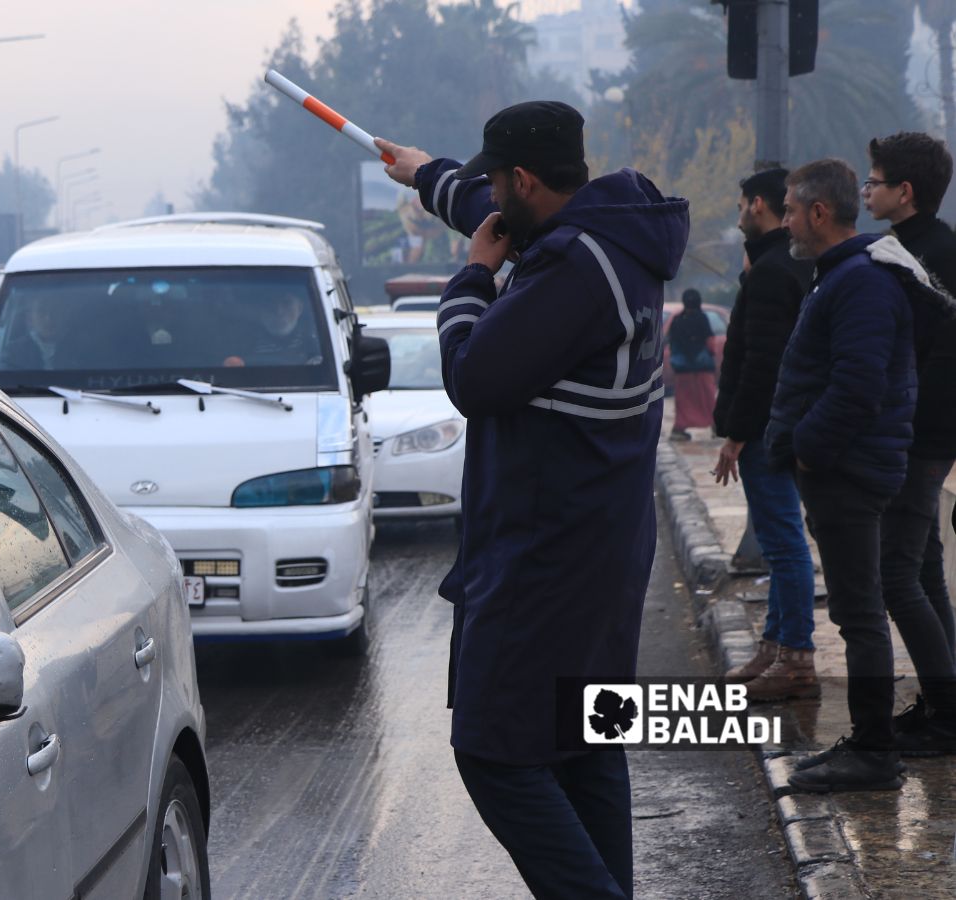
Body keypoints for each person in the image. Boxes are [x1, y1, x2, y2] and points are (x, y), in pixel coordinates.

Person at [377, 99, 688, 899]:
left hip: (547, 563)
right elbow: (495, 215)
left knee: (496, 753)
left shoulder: (575, 270)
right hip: (604, 552)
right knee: (585, 745)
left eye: (495, 183)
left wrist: (470, 282)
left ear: (524, 178)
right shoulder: (611, 233)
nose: (492, 201)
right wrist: (427, 174)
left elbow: (476, 378)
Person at [765, 159, 917, 793]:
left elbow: (858, 383)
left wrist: (807, 450)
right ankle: (866, 741)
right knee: (857, 613)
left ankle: (875, 754)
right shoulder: (844, 275)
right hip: (844, 468)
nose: (789, 223)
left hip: (849, 472)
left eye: (793, 211)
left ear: (818, 214)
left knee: (859, 617)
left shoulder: (859, 282)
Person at [862, 132, 956, 754]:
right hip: (921, 431)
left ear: (906, 192)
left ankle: (947, 718)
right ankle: (943, 703)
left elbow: (934, 357)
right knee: (922, 569)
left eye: (875, 179)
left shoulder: (925, 256)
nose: (866, 189)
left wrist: (907, 433)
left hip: (922, 434)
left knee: (895, 575)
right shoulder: (908, 247)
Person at [712, 168, 819, 702]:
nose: (737, 216)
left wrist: (736, 434)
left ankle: (795, 658)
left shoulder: (775, 271)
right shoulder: (781, 265)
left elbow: (762, 364)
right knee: (782, 544)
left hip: (768, 432)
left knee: (784, 545)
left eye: (740, 205)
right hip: (779, 427)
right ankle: (775, 645)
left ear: (759, 205)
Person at [667, 289, 717, 439]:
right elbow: (711, 344)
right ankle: (715, 427)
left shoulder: (676, 320)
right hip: (702, 369)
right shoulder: (702, 318)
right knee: (708, 398)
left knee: (683, 400)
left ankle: (679, 429)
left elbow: (672, 344)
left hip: (683, 371)